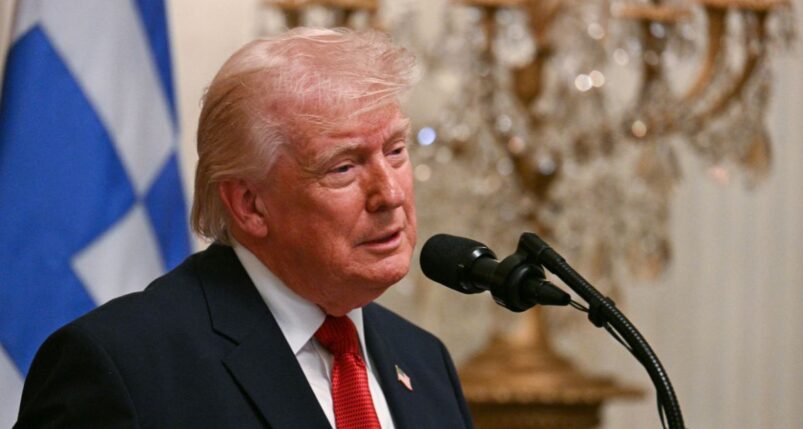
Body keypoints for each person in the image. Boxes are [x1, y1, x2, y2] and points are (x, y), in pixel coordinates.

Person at [15, 28, 474, 429]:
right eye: (343, 168)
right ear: (250, 204)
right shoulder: (124, 366)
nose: (390, 194)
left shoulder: (423, 361)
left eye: (395, 151)